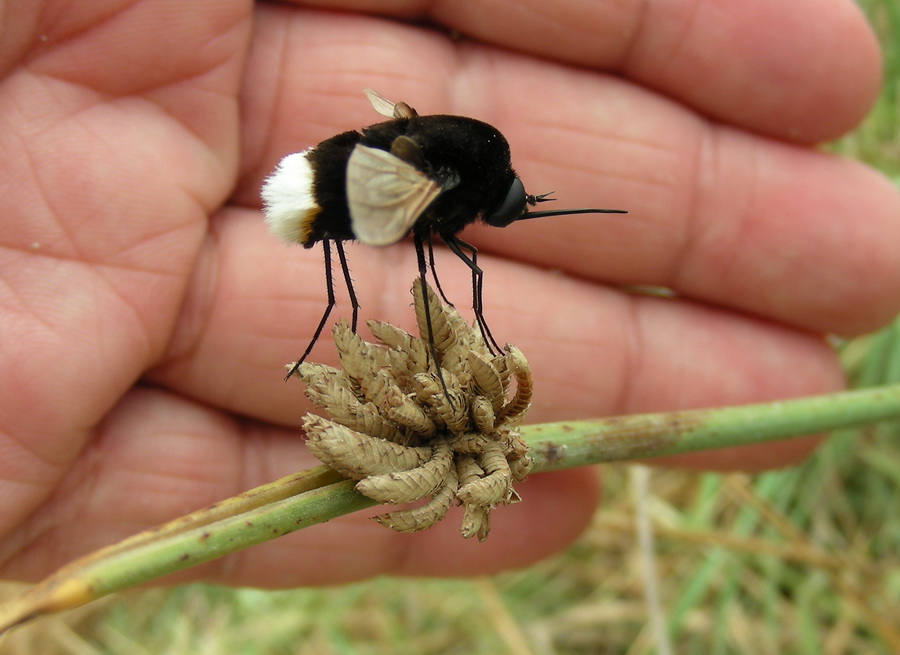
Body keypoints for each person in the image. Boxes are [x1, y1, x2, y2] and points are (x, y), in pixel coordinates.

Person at [1, 1, 898, 587]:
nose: (508, 213)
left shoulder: (471, 161)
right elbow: (410, 213)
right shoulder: (453, 182)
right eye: (509, 207)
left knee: (429, 257)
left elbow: (411, 157)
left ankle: (338, 307)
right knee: (437, 261)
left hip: (327, 173)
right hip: (326, 188)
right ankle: (335, 314)